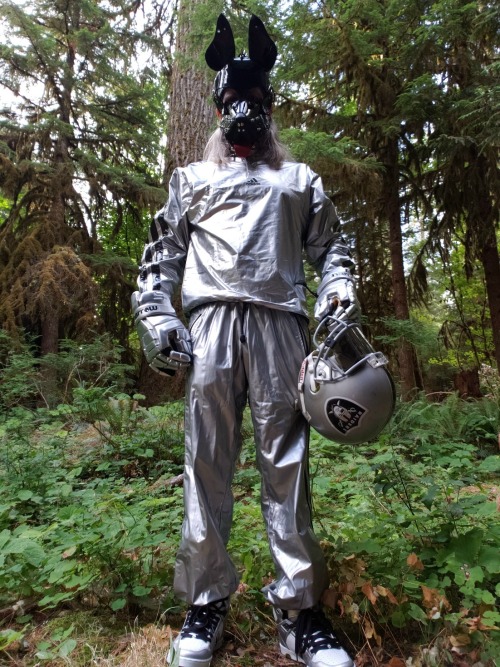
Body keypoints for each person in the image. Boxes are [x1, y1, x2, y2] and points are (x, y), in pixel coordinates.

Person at [132, 14, 358, 667]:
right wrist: (158, 319)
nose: (244, 115)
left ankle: (298, 613)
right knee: (206, 465)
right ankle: (205, 607)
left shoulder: (299, 181)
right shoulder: (190, 181)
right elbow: (159, 263)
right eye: (232, 103)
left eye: (254, 103)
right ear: (217, 106)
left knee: (287, 467)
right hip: (210, 331)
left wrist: (338, 296)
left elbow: (334, 249)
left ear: (270, 105)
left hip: (282, 328)